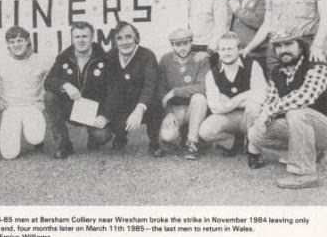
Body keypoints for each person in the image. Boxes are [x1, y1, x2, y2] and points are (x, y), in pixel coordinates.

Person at [248, 27, 327, 188]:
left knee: (296, 113)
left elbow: (306, 97)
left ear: (300, 45)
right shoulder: (277, 72)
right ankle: (313, 155)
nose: (283, 50)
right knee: (256, 133)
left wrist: (269, 111)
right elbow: (271, 100)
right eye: (278, 46)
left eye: (288, 44)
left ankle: (305, 173)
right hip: (304, 131)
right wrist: (263, 116)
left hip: (322, 126)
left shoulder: (316, 64)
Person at [44, 22, 111, 159]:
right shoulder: (64, 58)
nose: (81, 40)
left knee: (102, 136)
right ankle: (64, 145)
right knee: (49, 97)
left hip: (94, 110)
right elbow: (49, 81)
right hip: (71, 106)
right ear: (72, 39)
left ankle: (93, 137)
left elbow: (113, 91)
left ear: (92, 38)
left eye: (85, 36)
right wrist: (65, 85)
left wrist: (105, 115)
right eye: (77, 37)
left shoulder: (105, 59)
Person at [199, 32, 267, 158]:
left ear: (239, 49)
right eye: (222, 49)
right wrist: (245, 96)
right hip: (230, 116)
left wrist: (229, 101)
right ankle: (235, 143)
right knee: (205, 131)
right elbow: (215, 107)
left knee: (254, 106)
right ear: (218, 52)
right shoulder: (212, 74)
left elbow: (261, 95)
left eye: (230, 48)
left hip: (251, 115)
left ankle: (253, 149)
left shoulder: (253, 65)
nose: (226, 52)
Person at [102, 21, 163, 156]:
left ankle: (154, 143)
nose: (124, 42)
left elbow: (150, 85)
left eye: (128, 37)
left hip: (144, 103)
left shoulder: (147, 55)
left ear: (136, 37)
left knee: (155, 105)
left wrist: (139, 109)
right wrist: (106, 114)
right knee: (113, 116)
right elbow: (110, 88)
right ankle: (121, 136)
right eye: (120, 38)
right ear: (115, 41)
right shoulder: (110, 56)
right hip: (122, 103)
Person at [0, 26, 49, 160]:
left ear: (27, 41)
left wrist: (43, 98)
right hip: (10, 109)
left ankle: (36, 139)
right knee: (9, 154)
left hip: (32, 106)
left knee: (35, 137)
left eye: (19, 40)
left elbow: (53, 78)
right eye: (12, 42)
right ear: (8, 44)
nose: (16, 44)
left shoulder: (40, 60)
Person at [158, 29, 209, 160]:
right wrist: (168, 112)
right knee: (167, 136)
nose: (182, 48)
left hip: (194, 109)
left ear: (191, 43)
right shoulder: (165, 60)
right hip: (175, 109)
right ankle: (180, 135)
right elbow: (161, 89)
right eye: (178, 44)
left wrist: (176, 91)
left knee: (199, 98)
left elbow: (203, 88)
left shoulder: (200, 58)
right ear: (172, 45)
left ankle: (192, 142)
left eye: (185, 43)